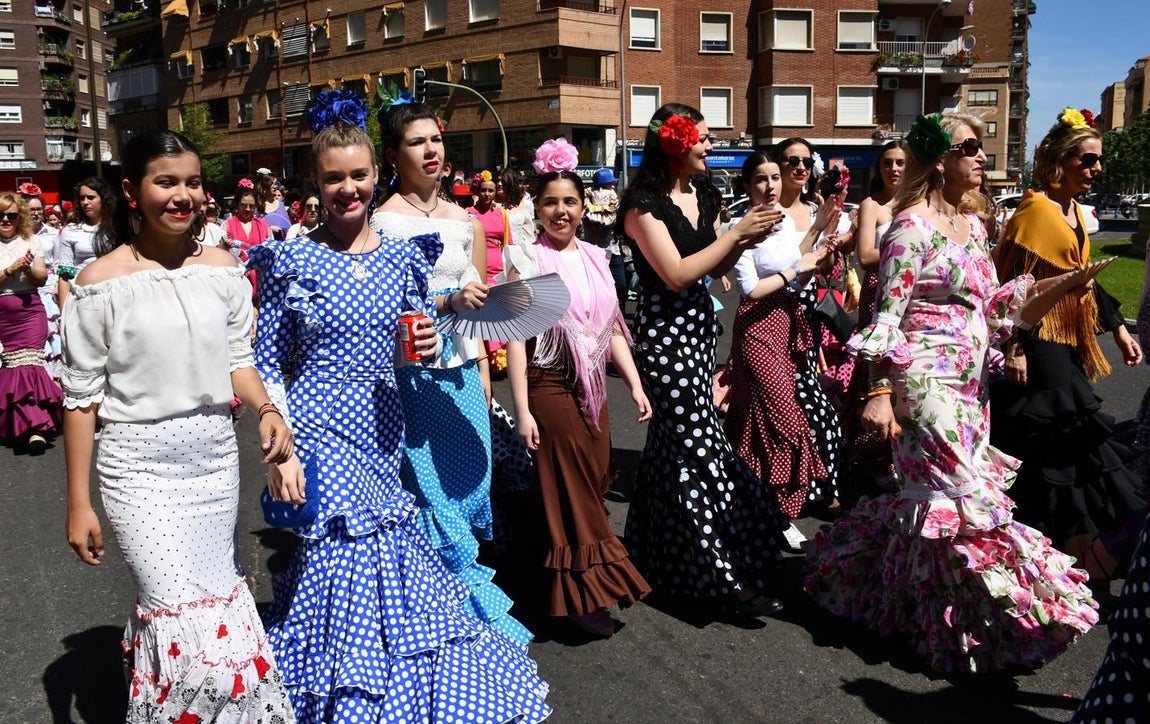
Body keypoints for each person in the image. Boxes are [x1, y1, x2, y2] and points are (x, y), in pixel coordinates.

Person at [253, 93, 550, 721]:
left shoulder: (400, 256)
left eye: (358, 175)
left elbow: (415, 335)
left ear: (374, 174)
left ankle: (388, 679)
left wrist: (416, 342)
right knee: (343, 551)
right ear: (315, 182)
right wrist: (275, 433)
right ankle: (350, 689)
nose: (347, 189)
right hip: (319, 430)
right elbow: (268, 356)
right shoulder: (290, 257)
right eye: (333, 177)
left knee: (388, 553)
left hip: (385, 424)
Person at [805, 112, 1098, 673]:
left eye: (982, 148)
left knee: (938, 503)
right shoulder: (909, 226)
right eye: (970, 148)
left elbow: (995, 312)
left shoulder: (976, 227)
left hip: (970, 384)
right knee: (961, 497)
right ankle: (974, 624)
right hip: (924, 379)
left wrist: (1057, 287)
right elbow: (886, 314)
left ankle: (884, 596)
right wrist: (880, 391)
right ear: (941, 159)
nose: (981, 158)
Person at [61, 129, 295, 720]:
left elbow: (239, 360)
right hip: (136, 466)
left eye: (192, 182)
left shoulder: (223, 268)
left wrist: (268, 410)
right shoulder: (98, 284)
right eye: (166, 182)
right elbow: (81, 401)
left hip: (213, 462)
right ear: (132, 190)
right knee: (174, 609)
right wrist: (78, 502)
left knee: (218, 607)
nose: (182, 195)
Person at [369, 93, 531, 645]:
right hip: (408, 370)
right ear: (393, 155)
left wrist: (487, 383)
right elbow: (377, 306)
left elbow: (481, 309)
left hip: (463, 368)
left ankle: (462, 607)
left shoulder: (467, 218)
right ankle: (436, 613)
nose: (431, 149)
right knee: (420, 487)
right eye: (416, 141)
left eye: (436, 138)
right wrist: (443, 302)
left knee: (470, 478)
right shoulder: (379, 221)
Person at [619, 102, 791, 616]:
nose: (712, 147)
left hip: (697, 331)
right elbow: (675, 274)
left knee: (667, 454)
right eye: (705, 138)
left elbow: (715, 270)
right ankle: (723, 577)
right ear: (675, 142)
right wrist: (737, 235)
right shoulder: (642, 206)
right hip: (663, 339)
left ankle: (646, 559)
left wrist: (743, 242)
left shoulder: (705, 193)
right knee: (698, 448)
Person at [504, 142, 652, 638]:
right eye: (550, 203)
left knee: (583, 486)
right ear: (537, 208)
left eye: (569, 202)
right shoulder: (525, 259)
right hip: (549, 385)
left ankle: (546, 583)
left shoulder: (596, 256)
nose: (560, 211)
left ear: (583, 206)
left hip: (593, 388)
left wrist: (634, 385)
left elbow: (611, 330)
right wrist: (521, 410)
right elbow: (518, 339)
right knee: (574, 492)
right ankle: (595, 589)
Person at [990, 107, 1146, 547]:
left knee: (1054, 437)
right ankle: (1063, 534)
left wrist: (1116, 329)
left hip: (1068, 337)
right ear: (1059, 160)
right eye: (1087, 160)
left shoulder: (1074, 212)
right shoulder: (1034, 213)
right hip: (1038, 339)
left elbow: (1083, 277)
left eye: (1098, 161)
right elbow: (1012, 287)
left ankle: (1046, 534)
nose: (1096, 168)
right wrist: (1014, 347)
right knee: (1064, 431)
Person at [723, 153, 837, 550]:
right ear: (747, 186)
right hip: (756, 328)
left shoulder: (785, 223)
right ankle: (778, 508)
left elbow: (795, 264)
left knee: (754, 421)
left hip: (787, 324)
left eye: (775, 177)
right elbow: (752, 289)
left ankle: (754, 503)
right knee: (786, 420)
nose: (770, 185)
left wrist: (818, 237)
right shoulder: (735, 228)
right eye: (760, 179)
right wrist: (797, 269)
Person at [773, 138, 847, 512]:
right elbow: (781, 266)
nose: (800, 168)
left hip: (806, 314)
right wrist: (816, 236)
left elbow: (818, 267)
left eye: (806, 161)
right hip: (772, 316)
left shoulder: (817, 207)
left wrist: (829, 252)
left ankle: (816, 488)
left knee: (819, 411)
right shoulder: (768, 213)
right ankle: (785, 494)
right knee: (784, 411)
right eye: (792, 161)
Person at [846, 140, 909, 488]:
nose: (894, 169)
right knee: (875, 369)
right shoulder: (871, 204)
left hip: (910, 296)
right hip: (878, 292)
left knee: (906, 371)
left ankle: (904, 451)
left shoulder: (918, 203)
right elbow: (865, 257)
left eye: (900, 163)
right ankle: (870, 453)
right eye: (888, 162)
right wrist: (907, 250)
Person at [0, 192, 61, 451]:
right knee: (12, 367)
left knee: (31, 365)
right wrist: (9, 270)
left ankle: (37, 428)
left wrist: (26, 269)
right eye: (1, 215)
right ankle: (21, 425)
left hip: (30, 311)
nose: (5, 219)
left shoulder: (31, 240)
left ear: (19, 217)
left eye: (11, 215)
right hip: (3, 315)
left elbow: (40, 278)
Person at [468, 169, 511, 372]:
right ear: (478, 190)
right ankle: (484, 357)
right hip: (477, 268)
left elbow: (508, 243)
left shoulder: (502, 214)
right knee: (482, 310)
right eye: (483, 190)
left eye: (491, 190)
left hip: (498, 269)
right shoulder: (469, 214)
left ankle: (499, 357)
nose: (487, 194)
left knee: (497, 312)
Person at [19, 183, 63, 381]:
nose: (36, 213)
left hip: (48, 289)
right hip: (25, 287)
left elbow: (60, 262)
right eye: (31, 210)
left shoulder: (53, 234)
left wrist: (57, 285)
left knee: (52, 335)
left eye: (39, 209)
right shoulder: (17, 235)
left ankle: (54, 377)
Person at [57, 177, 116, 307]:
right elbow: (64, 276)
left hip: (113, 295)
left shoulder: (117, 228)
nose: (85, 202)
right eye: (82, 198)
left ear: (104, 199)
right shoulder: (71, 230)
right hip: (82, 297)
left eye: (90, 197)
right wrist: (64, 313)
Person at [584, 167, 628, 311]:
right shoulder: (588, 197)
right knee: (596, 287)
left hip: (613, 250)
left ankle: (619, 312)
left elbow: (616, 213)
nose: (613, 185)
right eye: (610, 183)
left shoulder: (612, 195)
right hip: (593, 251)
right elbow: (586, 217)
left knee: (621, 285)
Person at [255, 173, 290, 239]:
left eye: (276, 184)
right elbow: (253, 227)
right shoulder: (258, 205)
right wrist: (269, 229)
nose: (275, 186)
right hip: (264, 242)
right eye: (272, 184)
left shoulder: (281, 205)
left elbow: (287, 227)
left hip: (280, 242)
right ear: (265, 186)